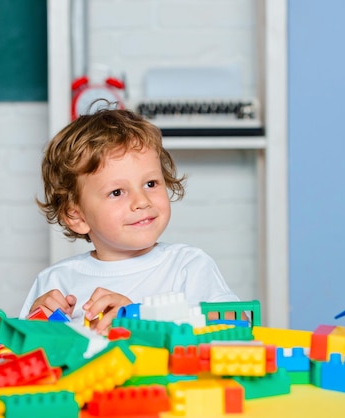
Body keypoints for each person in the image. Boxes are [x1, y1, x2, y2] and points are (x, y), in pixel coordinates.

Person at [19, 108, 239, 333]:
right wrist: (32, 326)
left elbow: (234, 328)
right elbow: (15, 355)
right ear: (77, 216)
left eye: (151, 184)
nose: (142, 201)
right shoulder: (56, 281)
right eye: (117, 192)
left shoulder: (188, 266)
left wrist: (139, 318)